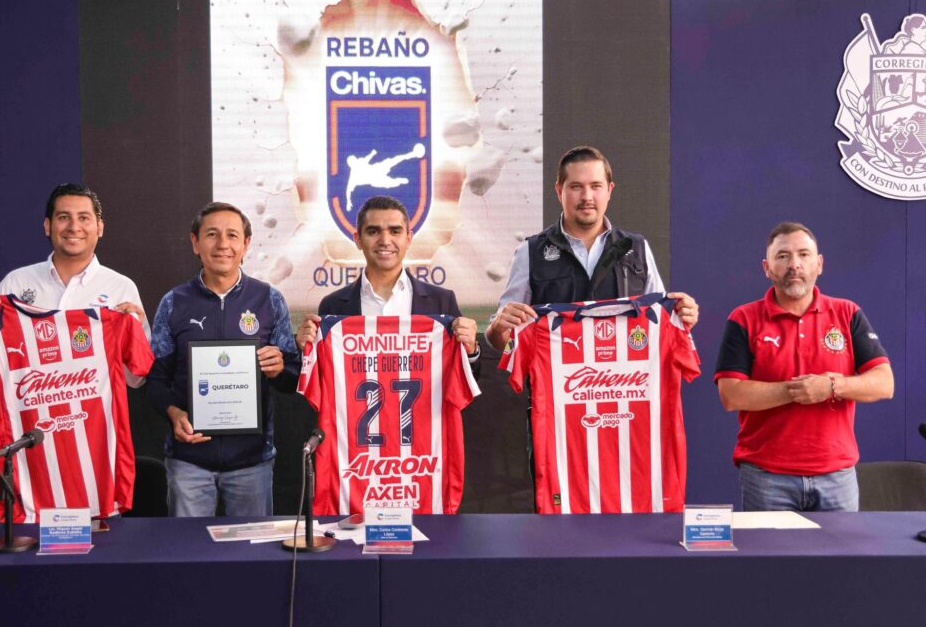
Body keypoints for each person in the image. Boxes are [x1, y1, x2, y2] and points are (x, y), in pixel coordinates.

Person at [714, 222, 894, 511]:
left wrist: (831, 386)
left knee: (841, 545)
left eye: (804, 254)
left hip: (837, 477)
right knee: (768, 546)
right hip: (766, 477)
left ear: (819, 264)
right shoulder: (743, 318)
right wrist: (799, 391)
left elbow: (884, 383)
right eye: (783, 256)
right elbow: (731, 395)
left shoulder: (848, 313)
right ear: (767, 268)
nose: (794, 264)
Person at [146, 202, 300, 517]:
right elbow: (156, 379)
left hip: (252, 462)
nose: (222, 244)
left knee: (250, 547)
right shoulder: (174, 303)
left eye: (232, 235)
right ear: (195, 242)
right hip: (189, 461)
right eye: (212, 234)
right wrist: (174, 413)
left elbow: (292, 377)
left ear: (246, 244)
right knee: (187, 546)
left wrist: (280, 368)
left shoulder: (269, 300)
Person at [485, 145, 698, 351]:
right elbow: (502, 341)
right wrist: (497, 329)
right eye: (576, 186)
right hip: (552, 376)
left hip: (625, 375)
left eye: (596, 186)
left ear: (609, 190)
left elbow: (660, 325)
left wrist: (682, 315)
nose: (587, 197)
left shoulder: (637, 248)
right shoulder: (530, 252)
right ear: (559, 191)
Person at [0, 183, 149, 385]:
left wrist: (134, 336)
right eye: (63, 217)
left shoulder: (121, 288)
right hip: (28, 405)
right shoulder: (16, 283)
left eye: (84, 218)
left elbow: (136, 379)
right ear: (48, 226)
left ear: (100, 228)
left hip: (96, 406)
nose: (74, 227)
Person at [295, 195, 479, 371]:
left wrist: (470, 351)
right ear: (358, 239)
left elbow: (465, 378)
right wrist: (306, 351)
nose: (384, 241)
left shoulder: (442, 301)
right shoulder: (332, 306)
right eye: (373, 232)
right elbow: (324, 376)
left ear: (408, 239)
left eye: (395, 231)